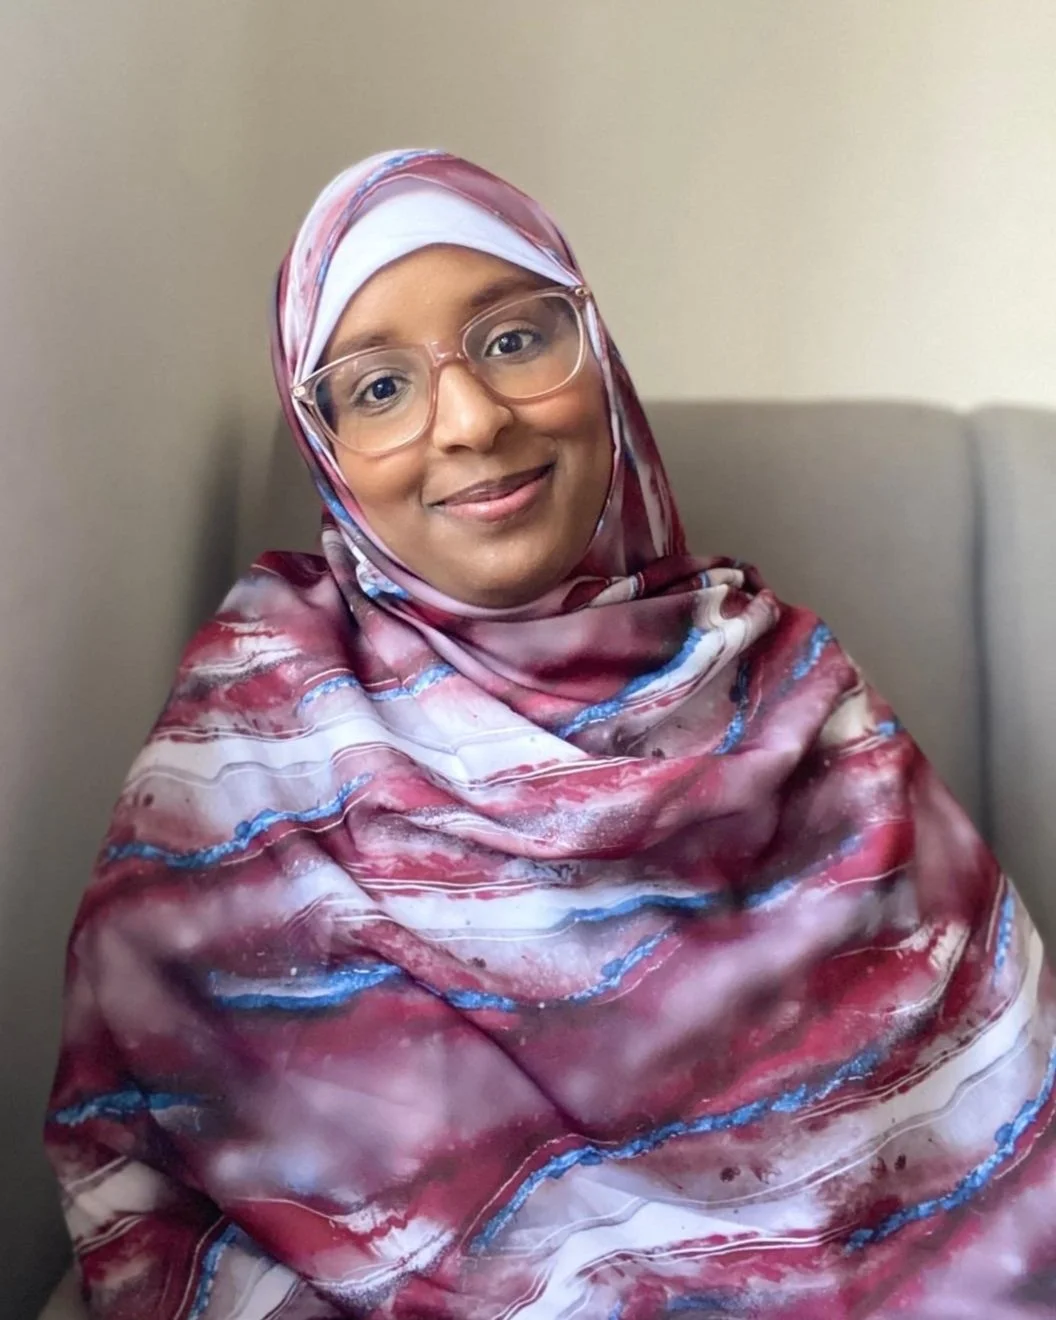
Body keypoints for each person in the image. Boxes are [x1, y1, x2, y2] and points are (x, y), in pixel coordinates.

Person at [46, 148, 1056, 1319]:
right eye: (379, 388)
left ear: (601, 362)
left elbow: (994, 1113)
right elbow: (161, 1162)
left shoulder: (786, 686)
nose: (470, 419)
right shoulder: (255, 729)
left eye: (515, 339)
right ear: (324, 454)